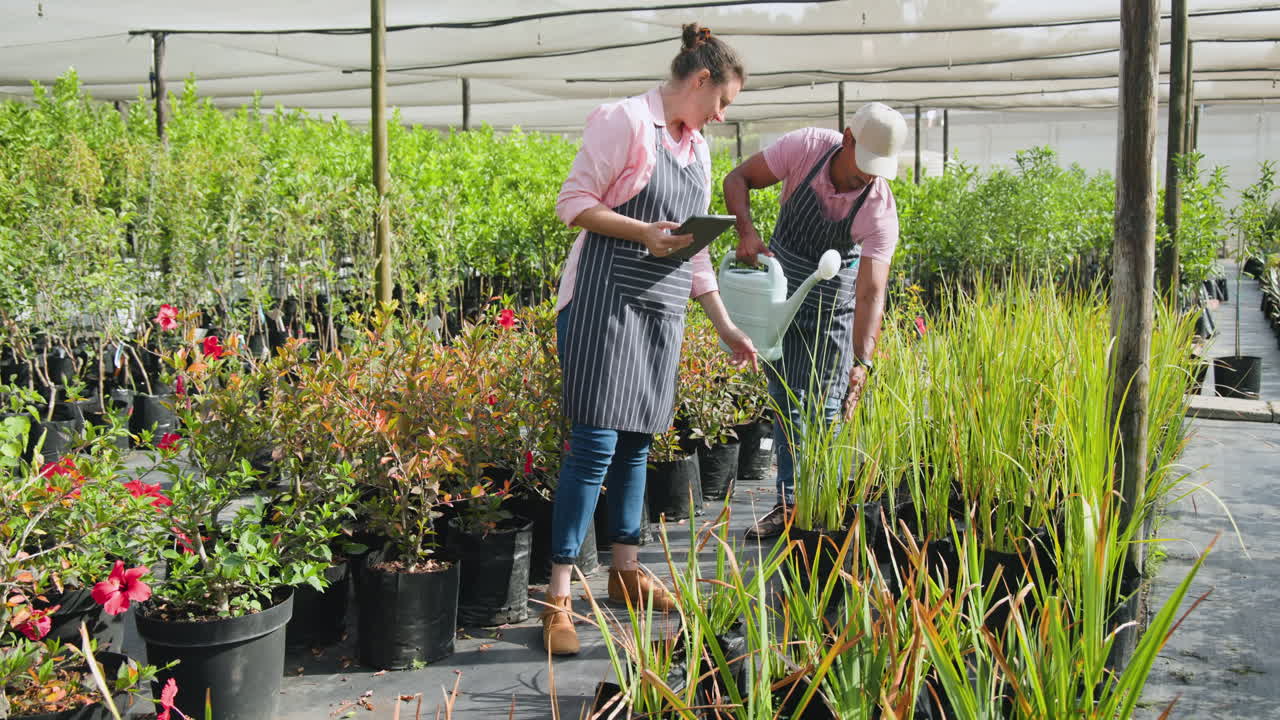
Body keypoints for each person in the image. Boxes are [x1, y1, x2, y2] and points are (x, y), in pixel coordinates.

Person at [541, 23, 758, 656]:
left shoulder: (697, 149)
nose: (720, 118)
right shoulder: (627, 122)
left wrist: (723, 325)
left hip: (662, 311)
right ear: (699, 82)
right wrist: (642, 234)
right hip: (602, 303)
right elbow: (572, 202)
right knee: (594, 445)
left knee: (639, 443)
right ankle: (559, 594)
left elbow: (694, 254)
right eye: (722, 104)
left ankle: (626, 572)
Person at [722, 102, 907, 540]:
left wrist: (863, 361)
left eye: (877, 169)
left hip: (832, 306)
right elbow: (738, 179)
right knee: (788, 406)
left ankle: (821, 510)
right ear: (847, 138)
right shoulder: (805, 148)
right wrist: (746, 232)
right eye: (864, 163)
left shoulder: (877, 205)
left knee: (825, 412)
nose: (868, 176)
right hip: (780, 295)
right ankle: (790, 507)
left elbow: (871, 291)